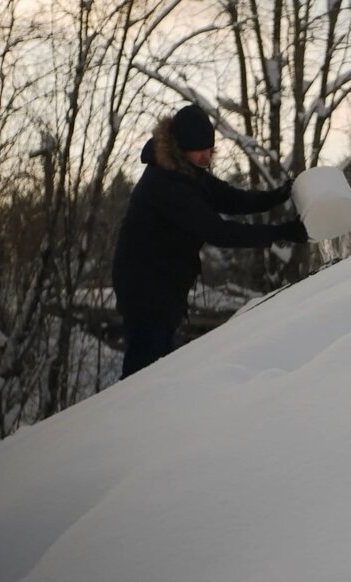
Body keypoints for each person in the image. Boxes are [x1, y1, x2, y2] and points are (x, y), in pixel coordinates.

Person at [113, 104, 307, 379]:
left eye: (210, 148)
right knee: (142, 372)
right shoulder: (167, 184)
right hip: (145, 290)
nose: (206, 155)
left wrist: (276, 196)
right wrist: (281, 233)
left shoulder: (188, 171)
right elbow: (219, 232)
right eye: (199, 149)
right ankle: (129, 418)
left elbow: (229, 198)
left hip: (164, 286)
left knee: (152, 369)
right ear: (181, 146)